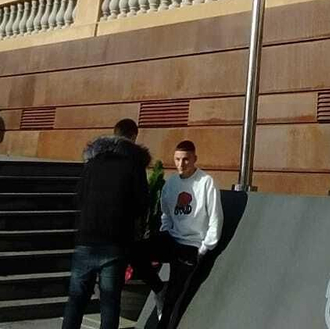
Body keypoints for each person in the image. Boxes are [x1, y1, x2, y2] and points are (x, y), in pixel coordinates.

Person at [61, 118, 151, 329]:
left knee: (76, 300)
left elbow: (79, 197)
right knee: (110, 303)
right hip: (115, 243)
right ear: (133, 137)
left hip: (86, 239)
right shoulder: (134, 165)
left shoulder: (93, 163)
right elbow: (142, 203)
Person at [149, 140, 222, 329]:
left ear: (194, 159)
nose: (181, 164)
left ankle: (164, 321)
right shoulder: (171, 183)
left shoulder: (206, 182)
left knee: (174, 296)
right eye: (177, 159)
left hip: (191, 245)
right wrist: (166, 231)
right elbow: (165, 212)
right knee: (134, 251)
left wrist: (204, 248)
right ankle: (159, 288)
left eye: (186, 160)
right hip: (172, 238)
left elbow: (215, 218)